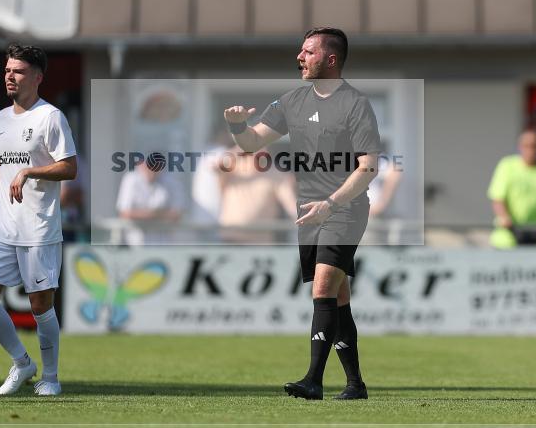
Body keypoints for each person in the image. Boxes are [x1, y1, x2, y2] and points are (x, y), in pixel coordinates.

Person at [224, 27, 381, 401]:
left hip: (344, 210)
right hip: (308, 212)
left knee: (322, 287)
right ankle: (356, 384)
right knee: (338, 298)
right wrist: (236, 125)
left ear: (330, 60)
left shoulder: (356, 104)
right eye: (300, 50)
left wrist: (332, 203)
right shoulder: (290, 101)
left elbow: (369, 168)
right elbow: (250, 143)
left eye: (308, 51)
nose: (299, 57)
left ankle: (313, 380)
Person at [0, 43, 77, 397]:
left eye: (17, 71)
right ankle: (22, 362)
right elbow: (6, 158)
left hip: (39, 226)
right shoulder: (1, 118)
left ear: (37, 77)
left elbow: (69, 166)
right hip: (4, 223)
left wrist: (32, 171)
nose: (9, 77)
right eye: (6, 70)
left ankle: (51, 378)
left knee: (39, 305)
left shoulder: (51, 117)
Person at [215, 147, 297, 244]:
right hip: (231, 240)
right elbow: (218, 166)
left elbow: (292, 207)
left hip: (260, 244)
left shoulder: (276, 174)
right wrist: (243, 146)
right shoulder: (231, 170)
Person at [115, 157, 185, 245]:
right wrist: (159, 214)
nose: (152, 171)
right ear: (141, 164)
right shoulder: (131, 179)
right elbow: (125, 213)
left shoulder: (171, 181)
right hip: (135, 242)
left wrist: (143, 214)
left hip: (163, 243)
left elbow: (176, 214)